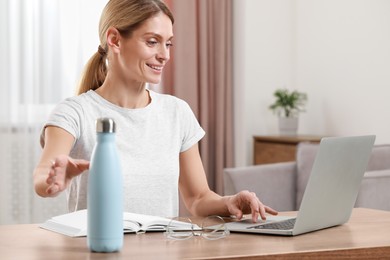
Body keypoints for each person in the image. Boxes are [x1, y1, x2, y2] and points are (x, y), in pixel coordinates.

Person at [33, 0, 278, 222]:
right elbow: (43, 175)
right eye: (152, 42)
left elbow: (198, 197)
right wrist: (53, 180)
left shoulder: (177, 112)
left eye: (168, 43)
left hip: (161, 250)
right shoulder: (75, 112)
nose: (164, 55)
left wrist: (228, 202)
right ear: (115, 40)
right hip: (98, 250)